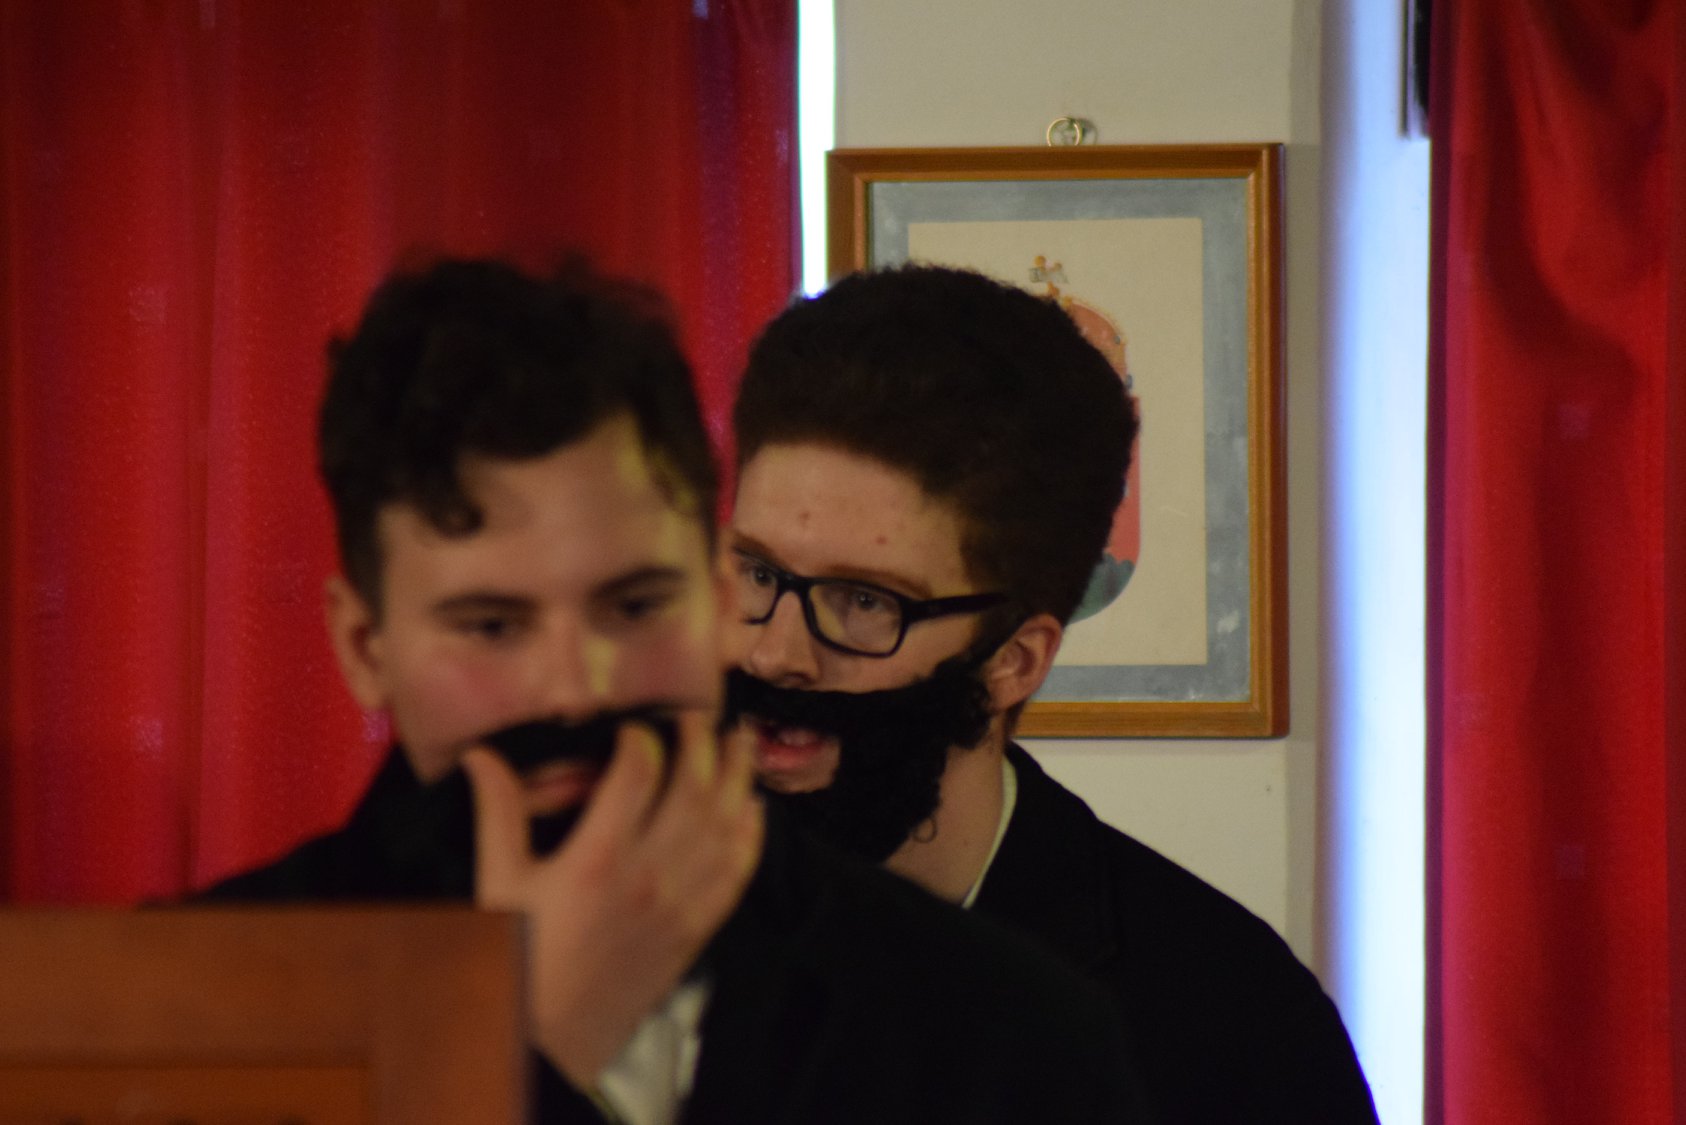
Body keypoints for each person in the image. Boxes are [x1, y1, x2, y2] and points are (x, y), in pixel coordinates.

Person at [197, 257, 1148, 1124]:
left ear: (716, 595)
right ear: (365, 646)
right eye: (490, 625)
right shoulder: (193, 1002)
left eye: (636, 605)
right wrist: (535, 1055)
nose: (573, 692)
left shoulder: (1012, 1033)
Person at [727, 263, 1380, 1125]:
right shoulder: (594, 933)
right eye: (756, 572)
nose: (774, 653)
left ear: (1014, 661)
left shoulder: (1231, 1031)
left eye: (864, 602)